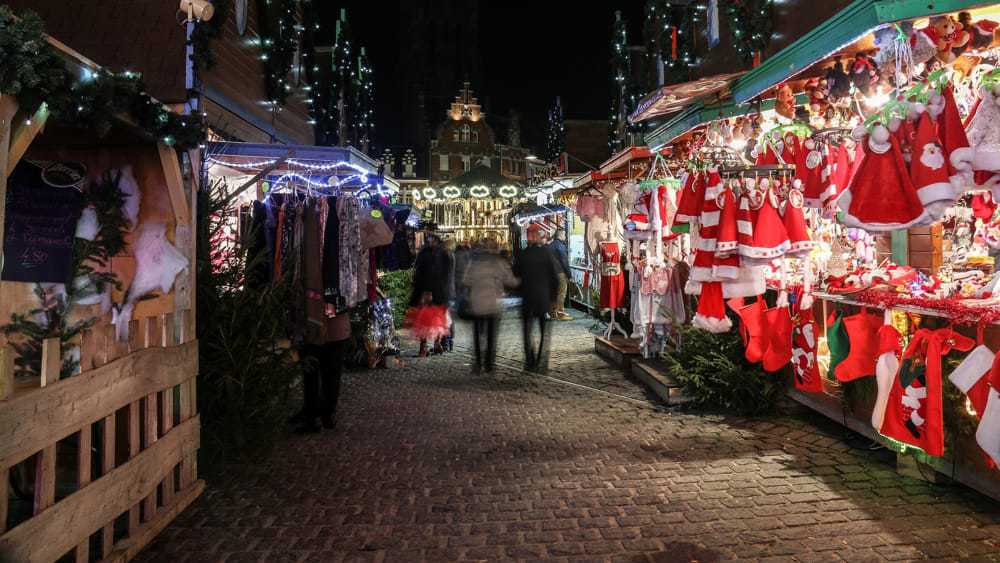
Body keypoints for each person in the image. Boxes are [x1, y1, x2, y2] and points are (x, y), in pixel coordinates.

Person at [463, 239, 518, 373]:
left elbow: (466, 280)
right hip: (493, 303)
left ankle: (477, 363)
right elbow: (510, 280)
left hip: (476, 303)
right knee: (491, 335)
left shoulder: (474, 262)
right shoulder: (498, 262)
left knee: (477, 335)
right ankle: (489, 363)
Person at [514, 224, 560, 372]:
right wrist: (553, 299)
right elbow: (555, 277)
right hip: (543, 298)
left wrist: (519, 292)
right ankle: (542, 361)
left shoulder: (522, 254)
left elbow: (515, 276)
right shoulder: (546, 253)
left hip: (527, 298)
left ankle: (529, 361)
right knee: (544, 331)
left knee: (527, 331)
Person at [408, 234, 453, 356]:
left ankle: (432, 345)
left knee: (432, 320)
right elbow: (420, 274)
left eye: (432, 240)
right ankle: (428, 346)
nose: (430, 242)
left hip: (434, 291)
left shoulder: (435, 254)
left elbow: (446, 274)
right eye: (429, 240)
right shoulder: (440, 254)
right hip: (433, 292)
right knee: (430, 320)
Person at [547, 229, 573, 321]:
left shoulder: (549, 246)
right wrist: (569, 275)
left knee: (553, 293)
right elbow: (564, 261)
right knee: (561, 293)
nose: (565, 237)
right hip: (560, 273)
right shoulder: (560, 246)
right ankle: (560, 313)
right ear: (560, 235)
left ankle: (552, 313)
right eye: (564, 235)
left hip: (550, 274)